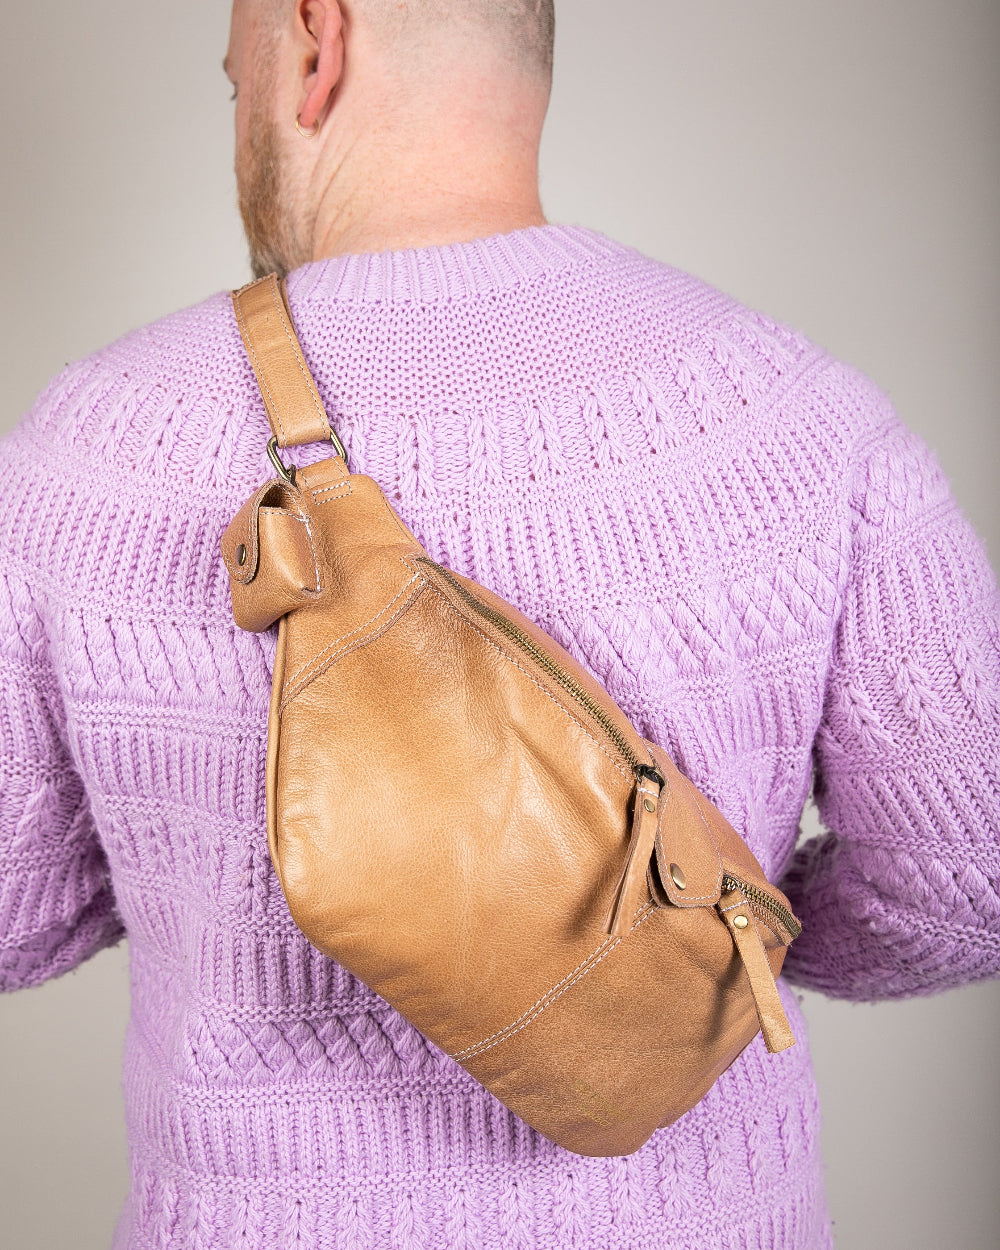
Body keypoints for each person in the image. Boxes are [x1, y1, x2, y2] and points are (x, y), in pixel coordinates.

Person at [1, 0, 997, 1246]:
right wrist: (707, 951)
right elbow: (969, 879)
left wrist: (180, 858)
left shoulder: (89, 448)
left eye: (234, 76)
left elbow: (14, 915)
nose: (237, 105)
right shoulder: (796, 414)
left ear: (315, 43)